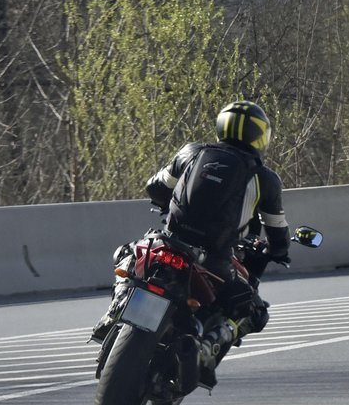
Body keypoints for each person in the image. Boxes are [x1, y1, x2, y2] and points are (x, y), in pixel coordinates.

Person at [90, 100, 290, 353]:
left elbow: (156, 187)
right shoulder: (265, 178)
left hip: (171, 240)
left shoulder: (192, 151)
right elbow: (276, 227)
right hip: (216, 259)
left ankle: (115, 309)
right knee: (254, 311)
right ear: (259, 135)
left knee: (127, 254)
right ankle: (208, 347)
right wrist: (280, 251)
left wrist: (168, 202)